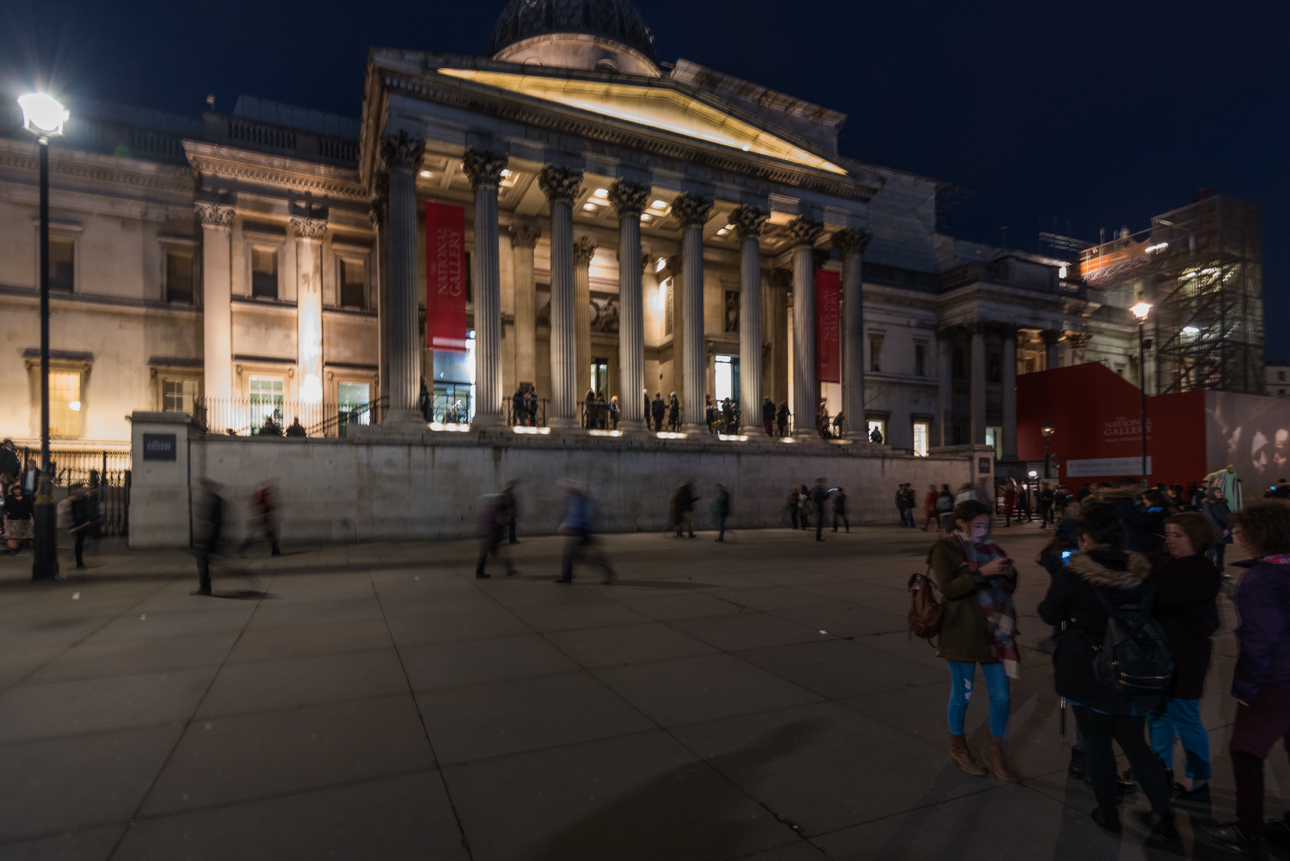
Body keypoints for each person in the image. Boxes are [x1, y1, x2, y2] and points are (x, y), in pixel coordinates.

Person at [1037, 503, 1176, 840]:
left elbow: (1049, 613)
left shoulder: (1074, 574)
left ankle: (1108, 813)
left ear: (1086, 539)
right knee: (1135, 743)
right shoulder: (1141, 572)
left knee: (1097, 744)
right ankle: (1164, 816)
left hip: (1088, 668)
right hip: (1131, 666)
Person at [1199, 503, 1290, 856]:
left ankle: (1248, 830)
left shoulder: (1262, 577)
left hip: (1274, 679)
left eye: (1241, 533)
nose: (1238, 539)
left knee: (1246, 751)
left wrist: (1246, 687)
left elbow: (1259, 638)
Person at [928, 499, 1019, 783]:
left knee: (1001, 695)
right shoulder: (945, 549)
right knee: (962, 693)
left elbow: (1009, 586)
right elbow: (949, 589)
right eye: (978, 525)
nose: (983, 530)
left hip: (994, 633)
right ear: (960, 522)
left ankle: (996, 747)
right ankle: (958, 748)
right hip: (962, 633)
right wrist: (983, 573)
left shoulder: (991, 548)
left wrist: (1008, 573)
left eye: (986, 525)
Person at [1147, 512, 1221, 799]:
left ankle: (1197, 779)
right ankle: (1159, 770)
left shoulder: (1202, 571)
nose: (1171, 540)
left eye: (1178, 535)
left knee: (1184, 715)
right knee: (1157, 714)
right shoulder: (1166, 561)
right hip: (1160, 653)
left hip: (1187, 655)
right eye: (1168, 534)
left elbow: (1166, 597)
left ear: (1197, 538)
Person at [555, 482, 615, 584]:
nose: (567, 493)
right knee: (573, 555)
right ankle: (566, 577)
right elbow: (573, 515)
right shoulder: (575, 500)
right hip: (581, 532)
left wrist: (570, 526)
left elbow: (584, 516)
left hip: (584, 532)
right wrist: (565, 525)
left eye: (569, 491)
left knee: (578, 556)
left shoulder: (584, 501)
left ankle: (609, 573)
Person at [193, 479, 225, 596]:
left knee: (203, 560)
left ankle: (205, 587)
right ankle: (205, 586)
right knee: (203, 560)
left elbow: (216, 522)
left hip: (212, 538)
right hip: (210, 538)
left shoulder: (217, 501)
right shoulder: (213, 500)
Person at [475, 493, 517, 579]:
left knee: (485, 554)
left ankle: (480, 572)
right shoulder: (495, 509)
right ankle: (509, 569)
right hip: (491, 535)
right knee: (501, 553)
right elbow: (497, 521)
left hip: (486, 535)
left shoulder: (486, 508)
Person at [243, 481, 281, 556]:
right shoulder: (261, 496)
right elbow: (260, 507)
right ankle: (242, 549)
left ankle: (275, 551)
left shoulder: (262, 496)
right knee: (269, 536)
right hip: (262, 521)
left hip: (264, 521)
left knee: (271, 535)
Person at [1201, 487, 1233, 575]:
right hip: (1214, 532)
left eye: (1220, 491)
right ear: (1212, 494)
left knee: (1221, 553)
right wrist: (1221, 530)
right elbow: (1210, 519)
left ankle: (1220, 569)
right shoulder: (1208, 505)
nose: (1220, 493)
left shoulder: (1223, 504)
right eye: (1218, 492)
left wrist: (1228, 529)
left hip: (1223, 533)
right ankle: (1209, 570)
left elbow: (1230, 517)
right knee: (1211, 552)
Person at [68, 484, 93, 569]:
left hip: (82, 523)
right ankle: (79, 560)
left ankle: (79, 559)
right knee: (79, 543)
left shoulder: (84, 500)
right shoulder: (75, 501)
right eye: (81, 489)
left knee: (80, 542)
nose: (82, 490)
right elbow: (74, 513)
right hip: (78, 523)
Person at [4, 482, 33, 554]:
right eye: (15, 490)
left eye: (18, 489)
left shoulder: (26, 498)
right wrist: (8, 513)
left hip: (24, 520)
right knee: (13, 536)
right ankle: (13, 548)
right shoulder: (9, 498)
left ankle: (20, 546)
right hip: (12, 520)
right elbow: (5, 508)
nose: (17, 491)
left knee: (22, 536)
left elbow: (30, 507)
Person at [502, 479, 520, 544]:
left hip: (507, 512)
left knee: (510, 526)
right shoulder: (508, 493)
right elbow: (510, 503)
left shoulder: (506, 492)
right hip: (510, 513)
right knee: (512, 526)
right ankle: (512, 540)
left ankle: (512, 539)